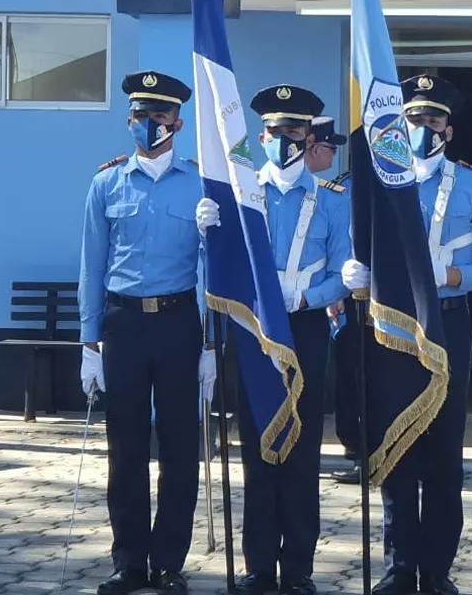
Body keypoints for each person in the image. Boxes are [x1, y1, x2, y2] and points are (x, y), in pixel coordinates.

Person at [341, 74, 472, 595]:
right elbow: (357, 242)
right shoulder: (378, 180)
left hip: (449, 322)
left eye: (433, 120)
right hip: (391, 325)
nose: (422, 128)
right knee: (396, 445)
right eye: (414, 119)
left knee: (443, 448)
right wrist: (354, 273)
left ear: (449, 130)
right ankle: (398, 564)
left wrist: (452, 276)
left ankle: (436, 567)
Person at [195, 85, 351, 595]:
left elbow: (343, 272)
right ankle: (259, 565)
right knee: (258, 447)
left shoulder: (331, 201)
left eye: (295, 131)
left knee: (303, 451)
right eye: (276, 131)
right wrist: (208, 236)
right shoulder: (239, 195)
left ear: (309, 139)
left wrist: (310, 298)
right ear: (260, 136)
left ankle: (299, 569)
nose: (285, 139)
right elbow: (220, 269)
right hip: (254, 329)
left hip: (304, 326)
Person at [79, 70, 215, 595]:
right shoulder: (106, 182)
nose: (147, 124)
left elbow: (212, 270)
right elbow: (91, 266)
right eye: (139, 115)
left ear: (177, 123)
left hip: (180, 323)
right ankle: (129, 560)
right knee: (127, 449)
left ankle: (169, 563)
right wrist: (89, 343)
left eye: (158, 116)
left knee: (180, 449)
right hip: (125, 324)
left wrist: (208, 343)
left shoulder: (201, 184)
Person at [304, 115, 365, 485]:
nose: (334, 153)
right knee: (349, 375)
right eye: (330, 146)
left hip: (374, 295)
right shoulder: (338, 189)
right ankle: (355, 446)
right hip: (336, 298)